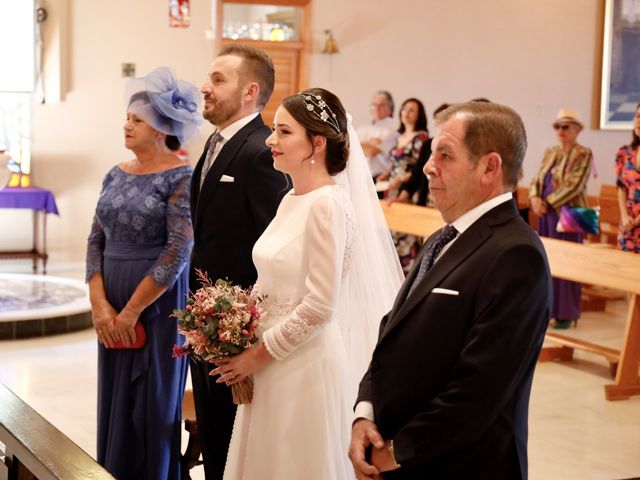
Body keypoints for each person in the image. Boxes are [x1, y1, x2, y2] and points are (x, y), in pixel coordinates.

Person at [349, 101, 552, 480]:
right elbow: (392, 330)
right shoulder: (443, 238)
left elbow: (480, 388)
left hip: (461, 465)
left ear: (490, 167)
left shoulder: (515, 254)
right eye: (430, 154)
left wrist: (396, 452)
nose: (428, 166)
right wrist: (366, 413)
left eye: (445, 155)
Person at [212, 88, 404, 479]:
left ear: (317, 143)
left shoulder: (328, 205)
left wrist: (255, 356)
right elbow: (271, 280)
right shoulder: (292, 199)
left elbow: (319, 306)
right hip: (269, 361)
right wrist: (234, 325)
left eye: (283, 132)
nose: (270, 140)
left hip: (302, 365)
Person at [86, 66, 201, 479]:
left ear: (161, 128)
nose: (127, 125)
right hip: (111, 299)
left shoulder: (182, 176)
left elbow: (178, 249)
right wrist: (100, 305)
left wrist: (131, 311)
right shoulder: (115, 173)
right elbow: (95, 238)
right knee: (116, 399)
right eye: (127, 118)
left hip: (157, 303)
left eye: (137, 120)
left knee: (148, 402)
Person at [189, 44, 289, 479]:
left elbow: (276, 245)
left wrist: (244, 325)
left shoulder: (260, 151)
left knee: (232, 441)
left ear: (250, 92)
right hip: (208, 323)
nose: (205, 88)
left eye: (217, 80)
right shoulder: (215, 142)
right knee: (213, 435)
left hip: (237, 329)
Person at [529, 108, 592, 329]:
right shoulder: (551, 152)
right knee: (548, 262)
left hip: (570, 215)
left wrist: (549, 202)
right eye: (558, 126)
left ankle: (566, 313)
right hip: (546, 214)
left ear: (577, 130)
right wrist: (535, 198)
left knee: (569, 263)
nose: (561, 131)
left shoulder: (583, 153)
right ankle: (548, 309)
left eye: (566, 127)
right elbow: (537, 179)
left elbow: (575, 184)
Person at [378, 98, 429, 274]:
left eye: (412, 110)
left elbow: (418, 167)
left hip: (407, 187)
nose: (406, 113)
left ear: (419, 115)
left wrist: (401, 180)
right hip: (391, 185)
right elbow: (394, 161)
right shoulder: (399, 136)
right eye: (404, 109)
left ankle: (406, 269)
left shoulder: (421, 137)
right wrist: (386, 173)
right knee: (390, 228)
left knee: (405, 231)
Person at [615, 102, 640, 253]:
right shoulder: (625, 153)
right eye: (638, 116)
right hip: (627, 229)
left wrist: (636, 221)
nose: (639, 121)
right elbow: (621, 187)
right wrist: (625, 217)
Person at [357, 90, 398, 179]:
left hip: (381, 177)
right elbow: (350, 149)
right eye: (374, 105)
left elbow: (372, 151)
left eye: (382, 105)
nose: (377, 108)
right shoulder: (362, 129)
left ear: (390, 108)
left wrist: (360, 144)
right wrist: (369, 143)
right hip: (362, 177)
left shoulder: (393, 130)